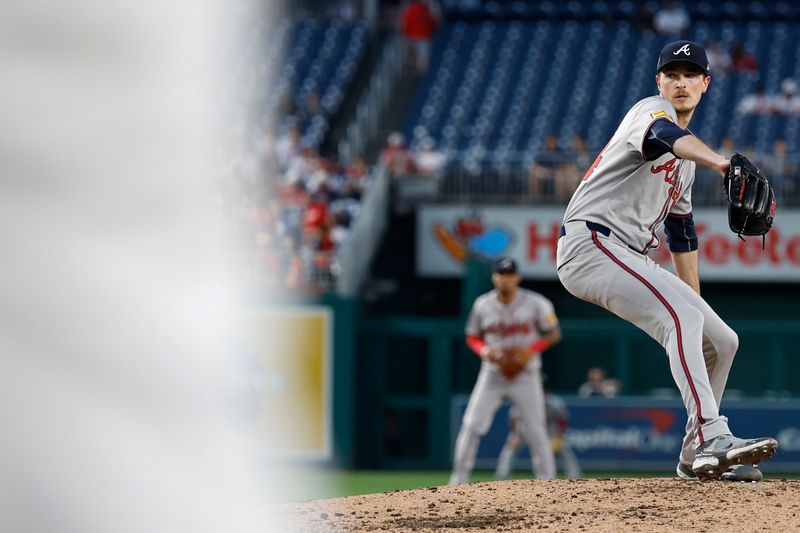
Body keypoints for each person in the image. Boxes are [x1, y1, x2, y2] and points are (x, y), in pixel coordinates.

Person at [556, 40, 778, 481]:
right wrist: (721, 163)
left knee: (722, 340)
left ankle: (696, 454)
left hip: (623, 253)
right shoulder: (650, 112)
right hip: (591, 244)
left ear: (706, 84)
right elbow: (665, 137)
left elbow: (682, 236)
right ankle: (713, 436)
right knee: (682, 318)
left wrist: (692, 304)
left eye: (690, 74)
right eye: (672, 74)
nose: (680, 82)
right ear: (659, 81)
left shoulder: (688, 166)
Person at [449, 258, 562, 484]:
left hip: (526, 374)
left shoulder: (536, 303)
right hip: (493, 373)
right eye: (500, 274)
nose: (505, 278)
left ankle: (548, 482)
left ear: (517, 278)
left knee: (536, 430)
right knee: (471, 424)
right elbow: (472, 335)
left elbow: (554, 333)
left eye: (509, 274)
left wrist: (531, 349)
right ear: (494, 277)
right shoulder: (482, 304)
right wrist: (484, 350)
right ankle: (458, 481)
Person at [494, 394, 582, 481]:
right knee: (510, 447)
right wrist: (515, 433)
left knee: (564, 449)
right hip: (525, 429)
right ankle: (501, 475)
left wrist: (559, 436)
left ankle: (574, 475)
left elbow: (562, 420)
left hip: (548, 431)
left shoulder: (554, 403)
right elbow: (513, 417)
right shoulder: (525, 402)